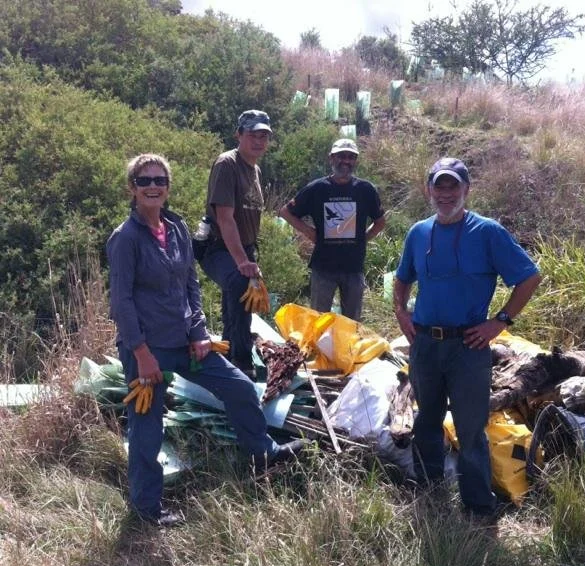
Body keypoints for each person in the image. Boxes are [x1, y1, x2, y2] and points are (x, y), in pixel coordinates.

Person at [107, 153, 308, 527]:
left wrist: (199, 331)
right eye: (144, 181)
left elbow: (190, 285)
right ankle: (147, 508)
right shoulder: (125, 240)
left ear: (167, 187)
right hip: (148, 350)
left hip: (188, 342)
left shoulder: (178, 228)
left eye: (159, 180)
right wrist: (140, 352)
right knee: (147, 427)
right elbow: (121, 302)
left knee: (240, 387)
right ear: (132, 188)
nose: (153, 187)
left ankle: (261, 453)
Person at [393, 157, 541, 522]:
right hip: (425, 344)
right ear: (428, 190)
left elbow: (529, 278)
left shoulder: (487, 232)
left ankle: (478, 506)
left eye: (452, 186)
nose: (445, 194)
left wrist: (500, 321)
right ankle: (428, 491)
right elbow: (402, 277)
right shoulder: (419, 232)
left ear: (466, 190)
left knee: (470, 428)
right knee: (426, 419)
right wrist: (400, 311)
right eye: (438, 186)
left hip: (469, 347)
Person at [198, 110, 273, 380]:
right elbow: (225, 218)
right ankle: (241, 363)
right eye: (253, 134)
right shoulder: (227, 164)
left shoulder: (255, 169)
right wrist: (243, 261)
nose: (259, 141)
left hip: (244, 248)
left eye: (264, 135)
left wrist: (248, 256)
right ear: (239, 135)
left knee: (239, 300)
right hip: (219, 247)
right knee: (240, 284)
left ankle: (228, 353)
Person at [279, 138, 386, 321]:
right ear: (331, 158)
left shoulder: (365, 190)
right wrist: (308, 231)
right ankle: (318, 351)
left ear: (355, 161)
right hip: (323, 267)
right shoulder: (317, 188)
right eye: (341, 156)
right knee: (319, 322)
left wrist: (363, 238)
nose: (346, 161)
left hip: (354, 268)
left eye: (351, 157)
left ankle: (347, 351)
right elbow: (285, 212)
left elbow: (380, 221)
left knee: (352, 324)